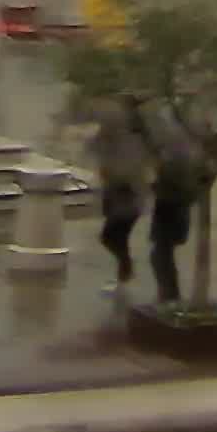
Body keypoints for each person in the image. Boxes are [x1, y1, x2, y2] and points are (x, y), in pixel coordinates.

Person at [86, 96, 153, 291]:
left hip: (127, 193)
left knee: (111, 236)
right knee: (116, 237)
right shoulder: (121, 133)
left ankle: (126, 271)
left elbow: (128, 166)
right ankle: (124, 275)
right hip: (121, 192)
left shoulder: (131, 136)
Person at [143, 99, 206, 307]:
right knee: (161, 253)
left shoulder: (176, 148)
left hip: (172, 204)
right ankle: (168, 295)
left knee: (160, 253)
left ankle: (169, 297)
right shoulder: (181, 143)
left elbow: (171, 173)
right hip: (174, 203)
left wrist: (156, 184)